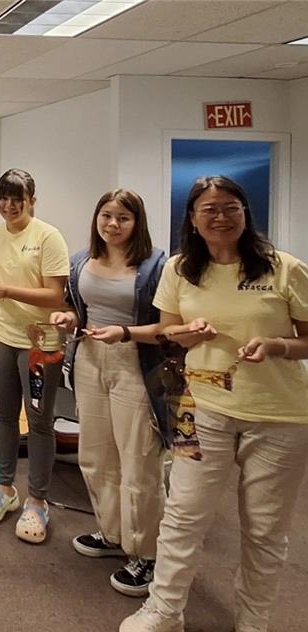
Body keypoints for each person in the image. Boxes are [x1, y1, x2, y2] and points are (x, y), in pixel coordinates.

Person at [121, 176, 308, 632]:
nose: (221, 217)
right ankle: (164, 610)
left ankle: (253, 620)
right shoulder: (181, 269)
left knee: (264, 530)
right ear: (193, 218)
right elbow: (168, 331)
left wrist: (277, 346)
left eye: (230, 208)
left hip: (278, 415)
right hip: (200, 407)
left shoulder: (285, 269)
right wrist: (186, 334)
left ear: (245, 214)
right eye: (209, 209)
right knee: (184, 513)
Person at [50, 189, 169, 597]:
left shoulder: (156, 264)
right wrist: (68, 318)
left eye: (123, 218)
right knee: (96, 454)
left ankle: (147, 552)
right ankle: (112, 533)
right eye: (106, 216)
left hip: (135, 361)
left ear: (138, 222)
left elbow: (167, 328)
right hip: (89, 359)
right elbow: (77, 309)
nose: (113, 225)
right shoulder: (82, 259)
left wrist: (124, 332)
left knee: (138, 459)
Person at [0, 168, 69, 544]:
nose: (10, 206)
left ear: (32, 200)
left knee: (40, 421)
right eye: (4, 199)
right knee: (5, 413)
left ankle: (38, 500)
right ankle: (6, 489)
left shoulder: (48, 236)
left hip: (39, 342)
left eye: (18, 199)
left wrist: (6, 290)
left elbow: (55, 296)